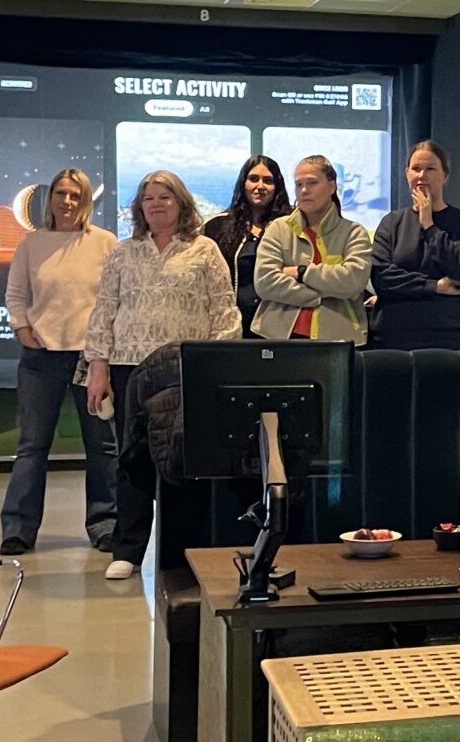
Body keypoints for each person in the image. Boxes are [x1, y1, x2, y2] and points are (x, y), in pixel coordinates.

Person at [85, 171, 239, 580]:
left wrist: (216, 367)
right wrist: (98, 366)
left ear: (181, 203)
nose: (155, 204)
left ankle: (180, 554)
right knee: (132, 460)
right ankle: (127, 550)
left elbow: (224, 309)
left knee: (181, 462)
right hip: (128, 367)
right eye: (148, 198)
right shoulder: (122, 253)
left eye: (164, 196)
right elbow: (104, 310)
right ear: (140, 207)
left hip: (184, 370)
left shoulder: (205, 250)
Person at [0, 168, 117, 557]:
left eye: (75, 195)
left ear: (86, 201)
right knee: (32, 445)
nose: (67, 201)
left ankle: (105, 524)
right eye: (60, 193)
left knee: (102, 446)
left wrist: (102, 350)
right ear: (49, 198)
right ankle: (18, 528)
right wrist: (21, 328)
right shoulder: (32, 243)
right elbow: (16, 294)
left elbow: (115, 298)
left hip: (91, 359)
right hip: (41, 358)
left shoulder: (104, 243)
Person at [369, 140, 460, 349]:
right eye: (416, 169)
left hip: (453, 335)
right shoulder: (391, 223)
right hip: (395, 335)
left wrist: (429, 225)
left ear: (445, 176)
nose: (422, 175)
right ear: (407, 174)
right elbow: (382, 278)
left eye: (430, 169)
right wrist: (434, 286)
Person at [252, 156, 374, 344]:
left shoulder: (354, 233)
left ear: (332, 186)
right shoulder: (278, 229)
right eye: (299, 184)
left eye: (312, 183)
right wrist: (317, 296)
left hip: (338, 340)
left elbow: (352, 281)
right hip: (275, 337)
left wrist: (300, 272)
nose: (304, 190)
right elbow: (265, 282)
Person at [205, 155, 287, 331]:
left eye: (268, 181)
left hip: (280, 325)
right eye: (253, 179)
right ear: (243, 183)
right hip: (232, 325)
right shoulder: (216, 227)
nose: (260, 186)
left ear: (277, 187)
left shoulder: (291, 226)